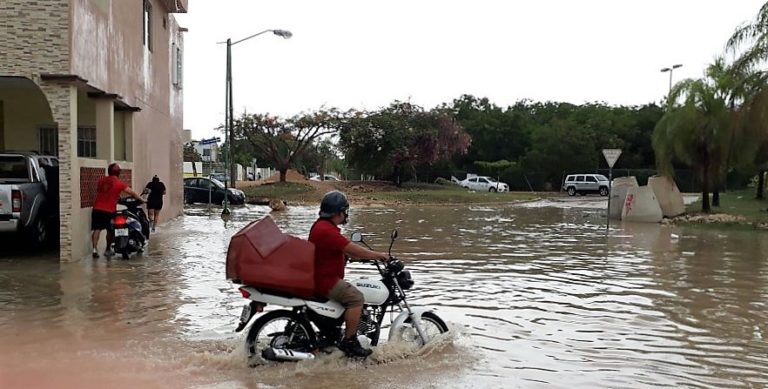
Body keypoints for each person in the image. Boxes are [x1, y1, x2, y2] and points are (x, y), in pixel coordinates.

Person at [308, 191, 388, 358]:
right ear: (338, 212)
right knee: (356, 298)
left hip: (320, 278)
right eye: (345, 211)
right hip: (326, 281)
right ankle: (350, 341)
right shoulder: (327, 230)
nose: (346, 215)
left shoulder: (322, 226)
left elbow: (340, 251)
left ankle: (336, 337)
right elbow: (351, 248)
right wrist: (378, 255)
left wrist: (355, 258)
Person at [91, 163, 144, 258]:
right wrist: (142, 200)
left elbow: (101, 191)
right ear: (118, 173)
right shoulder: (119, 183)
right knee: (110, 230)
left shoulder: (101, 180)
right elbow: (132, 193)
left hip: (97, 209)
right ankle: (108, 249)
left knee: (97, 229)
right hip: (109, 211)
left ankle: (94, 250)